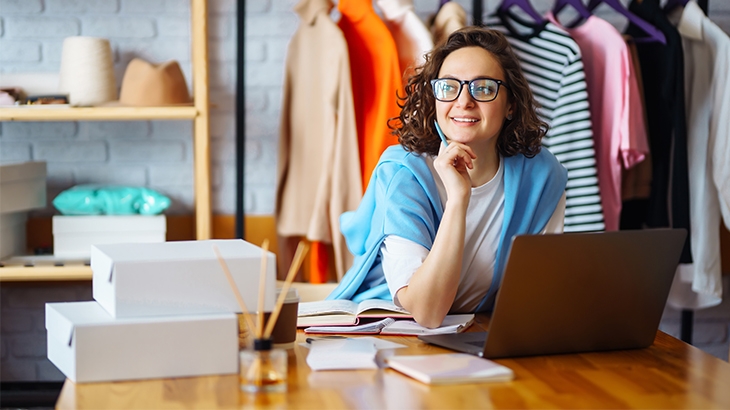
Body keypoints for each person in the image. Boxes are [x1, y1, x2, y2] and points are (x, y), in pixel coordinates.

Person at [327, 26, 568, 328]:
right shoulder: (404, 174)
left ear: (511, 105)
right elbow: (426, 312)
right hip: (384, 333)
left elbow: (536, 293)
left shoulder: (543, 177)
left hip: (476, 332)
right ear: (434, 97)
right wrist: (457, 201)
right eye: (449, 86)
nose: (463, 101)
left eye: (483, 88)